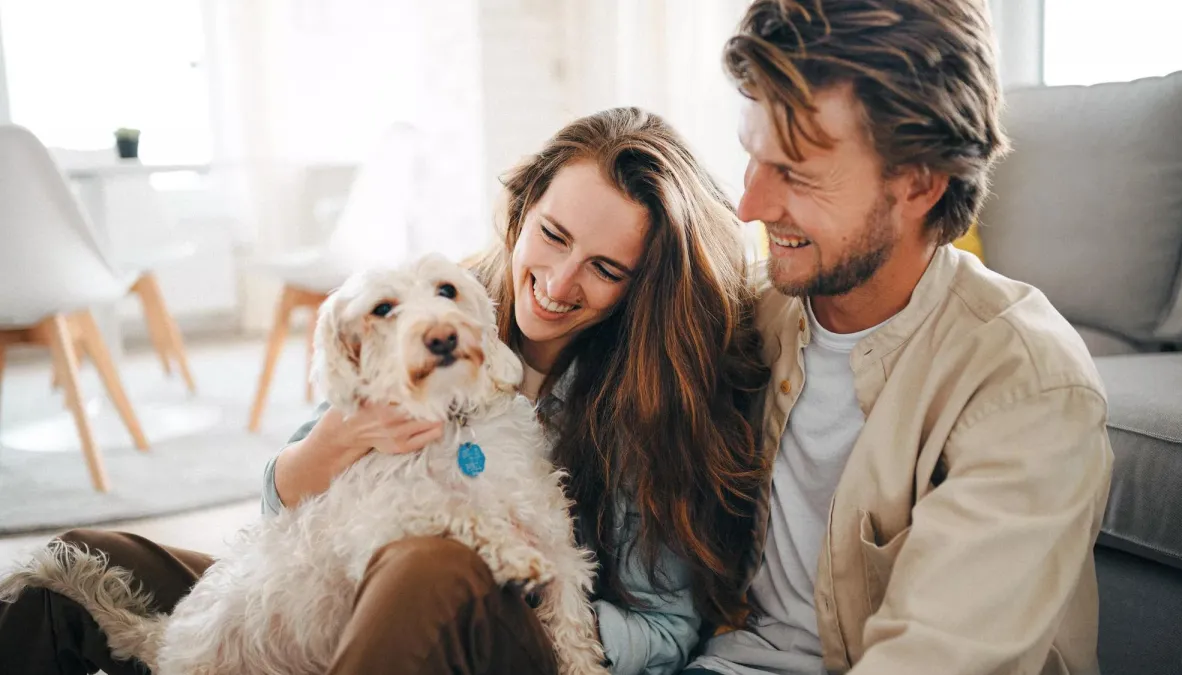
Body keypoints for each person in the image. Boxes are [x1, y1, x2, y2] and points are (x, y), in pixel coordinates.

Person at [0, 108, 770, 675]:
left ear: (646, 286)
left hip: (499, 632)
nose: (560, 282)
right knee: (71, 566)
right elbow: (288, 513)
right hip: (334, 588)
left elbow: (670, 630)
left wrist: (533, 585)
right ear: (524, 206)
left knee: (424, 568)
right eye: (554, 235)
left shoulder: (654, 402)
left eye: (607, 269)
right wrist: (334, 443)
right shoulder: (442, 298)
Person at [683, 1, 1113, 675]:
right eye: (752, 158)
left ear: (918, 182)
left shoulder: (1026, 384)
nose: (751, 206)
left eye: (795, 172)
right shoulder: (753, 313)